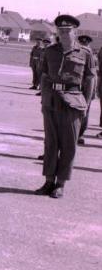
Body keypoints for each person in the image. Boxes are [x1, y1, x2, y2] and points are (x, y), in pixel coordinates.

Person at [35, 14, 95, 198]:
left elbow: (90, 79)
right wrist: (44, 99)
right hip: (51, 101)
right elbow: (44, 76)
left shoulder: (85, 53)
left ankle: (60, 184)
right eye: (60, 31)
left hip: (73, 103)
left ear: (75, 32)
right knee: (51, 143)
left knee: (69, 145)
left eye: (67, 31)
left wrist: (85, 103)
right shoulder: (50, 51)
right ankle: (48, 181)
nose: (64, 34)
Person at [76, 35, 97, 145]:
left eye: (85, 43)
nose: (84, 45)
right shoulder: (77, 53)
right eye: (82, 43)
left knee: (84, 112)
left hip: (86, 89)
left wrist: (92, 92)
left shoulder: (90, 56)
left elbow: (93, 77)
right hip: (76, 88)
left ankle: (79, 134)